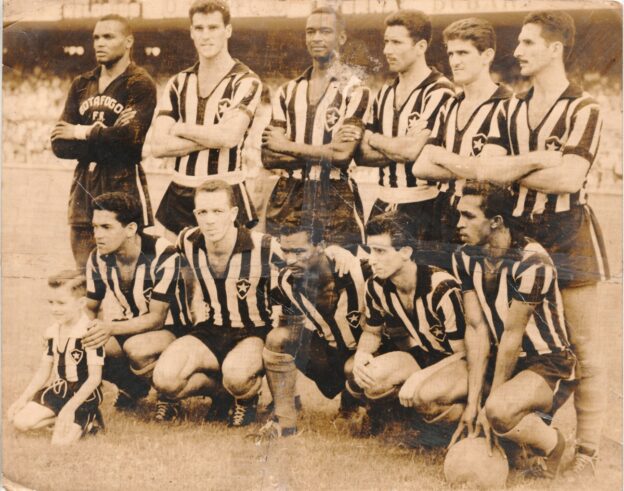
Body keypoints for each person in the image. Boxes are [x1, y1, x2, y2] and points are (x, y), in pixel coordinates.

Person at [478, 12, 608, 479]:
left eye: (528, 43)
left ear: (555, 49)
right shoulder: (508, 108)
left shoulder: (585, 108)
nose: (517, 51)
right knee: (523, 339)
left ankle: (588, 451)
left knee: (583, 346)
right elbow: (486, 170)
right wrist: (537, 160)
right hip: (518, 233)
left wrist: (513, 169)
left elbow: (569, 177)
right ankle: (534, 437)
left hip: (568, 232)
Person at [451, 181, 576, 479]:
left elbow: (512, 336)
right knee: (426, 395)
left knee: (497, 410)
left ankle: (554, 444)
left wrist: (487, 407)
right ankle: (508, 443)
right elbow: (477, 328)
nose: (458, 224)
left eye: (468, 216)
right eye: (459, 215)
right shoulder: (463, 256)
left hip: (546, 362)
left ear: (496, 221)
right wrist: (472, 402)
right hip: (503, 357)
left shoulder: (532, 261)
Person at [152, 180, 283, 427]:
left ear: (233, 214)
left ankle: (246, 397)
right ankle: (220, 393)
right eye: (203, 212)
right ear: (195, 214)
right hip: (210, 329)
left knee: (237, 376)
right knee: (165, 379)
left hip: (253, 332)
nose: (209, 220)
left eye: (217, 211)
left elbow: (288, 294)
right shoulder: (187, 240)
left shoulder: (264, 247)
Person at [345, 211, 467, 434]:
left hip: (460, 364)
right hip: (426, 355)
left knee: (423, 394)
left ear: (406, 252)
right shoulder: (376, 286)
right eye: (371, 251)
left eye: (380, 251)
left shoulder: (442, 288)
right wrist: (362, 355)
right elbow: (372, 332)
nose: (372, 260)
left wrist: (421, 376)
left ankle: (460, 423)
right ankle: (405, 423)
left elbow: (464, 353)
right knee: (370, 378)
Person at [51, 14, 156, 268]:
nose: (99, 43)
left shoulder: (140, 83)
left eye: (108, 37)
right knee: (85, 273)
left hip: (122, 183)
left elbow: (129, 141)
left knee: (127, 272)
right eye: (96, 37)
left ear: (128, 41)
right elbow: (59, 144)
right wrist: (109, 135)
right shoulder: (81, 83)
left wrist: (81, 132)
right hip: (84, 185)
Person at [151, 0, 262, 241]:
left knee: (228, 263)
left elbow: (229, 137)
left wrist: (179, 128)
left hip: (227, 190)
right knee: (176, 262)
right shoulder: (178, 83)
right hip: (180, 191)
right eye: (199, 28)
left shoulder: (245, 81)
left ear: (228, 30)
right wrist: (215, 137)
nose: (206, 35)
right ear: (191, 32)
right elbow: (158, 147)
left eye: (213, 27)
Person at [262, 6, 370, 252]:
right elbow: (268, 156)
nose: (316, 38)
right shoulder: (287, 91)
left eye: (325, 31)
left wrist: (286, 146)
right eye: (310, 32)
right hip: (288, 192)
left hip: (334, 193)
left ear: (341, 37)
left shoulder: (355, 89)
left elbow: (342, 155)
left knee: (336, 266)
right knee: (284, 266)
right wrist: (325, 151)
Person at [341, 10, 454, 244]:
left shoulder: (439, 90)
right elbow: (361, 155)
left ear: (420, 46)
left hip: (422, 203)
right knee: (377, 264)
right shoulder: (385, 92)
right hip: (382, 201)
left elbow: (411, 151)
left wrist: (372, 137)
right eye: (386, 42)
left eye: (396, 42)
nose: (386, 50)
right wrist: (401, 147)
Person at [410, 18, 512, 268]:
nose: (455, 61)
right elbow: (420, 167)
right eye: (451, 53)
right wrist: (471, 166)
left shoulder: (507, 105)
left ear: (487, 55)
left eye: (463, 53)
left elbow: (487, 172)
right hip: (442, 213)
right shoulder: (450, 105)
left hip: (481, 219)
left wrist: (440, 155)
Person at [256, 212, 366, 439]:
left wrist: (340, 251)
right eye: (286, 251)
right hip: (329, 353)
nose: (290, 260)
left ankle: (353, 406)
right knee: (278, 338)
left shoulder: (357, 272)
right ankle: (284, 419)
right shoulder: (286, 280)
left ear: (321, 246)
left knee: (359, 375)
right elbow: (286, 324)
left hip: (365, 355)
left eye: (299, 252)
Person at [83, 192, 191, 421]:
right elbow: (90, 306)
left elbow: (157, 318)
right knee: (87, 344)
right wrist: (74, 332)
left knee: (137, 348)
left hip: (173, 330)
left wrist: (108, 328)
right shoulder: (98, 257)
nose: (97, 235)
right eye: (95, 227)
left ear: (131, 228)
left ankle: (169, 398)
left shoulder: (163, 253)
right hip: (130, 325)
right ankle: (132, 387)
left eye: (106, 227)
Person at [8, 271, 104, 445]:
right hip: (60, 390)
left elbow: (94, 378)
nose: (54, 309)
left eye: (61, 303)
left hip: (83, 395)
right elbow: (44, 370)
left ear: (81, 303)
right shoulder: (52, 332)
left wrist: (69, 408)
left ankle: (88, 419)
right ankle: (60, 418)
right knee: (20, 422)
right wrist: (23, 398)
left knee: (60, 443)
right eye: (51, 302)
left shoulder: (89, 332)